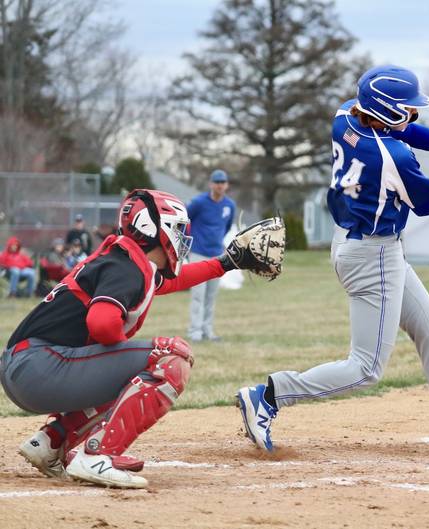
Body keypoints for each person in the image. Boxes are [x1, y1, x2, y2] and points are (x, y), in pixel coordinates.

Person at [236, 64, 429, 455]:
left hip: (358, 244)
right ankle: (269, 395)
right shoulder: (393, 157)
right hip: (374, 256)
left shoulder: (345, 115)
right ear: (385, 110)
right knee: (366, 368)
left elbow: (404, 128)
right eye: (406, 108)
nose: (413, 114)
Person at [0, 189, 272, 489]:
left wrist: (225, 263)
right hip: (39, 366)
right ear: (153, 229)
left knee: (134, 369)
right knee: (171, 357)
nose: (182, 237)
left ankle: (52, 442)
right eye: (178, 229)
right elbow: (102, 324)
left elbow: (172, 281)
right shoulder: (126, 268)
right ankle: (97, 454)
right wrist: (119, 354)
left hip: (31, 366)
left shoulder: (127, 261)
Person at [186, 169, 236, 342]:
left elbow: (227, 227)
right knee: (198, 295)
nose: (220, 185)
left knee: (211, 296)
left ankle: (208, 330)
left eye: (223, 182)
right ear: (211, 184)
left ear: (227, 185)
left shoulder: (229, 205)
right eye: (217, 182)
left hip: (217, 255)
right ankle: (195, 332)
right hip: (198, 253)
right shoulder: (199, 202)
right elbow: (185, 219)